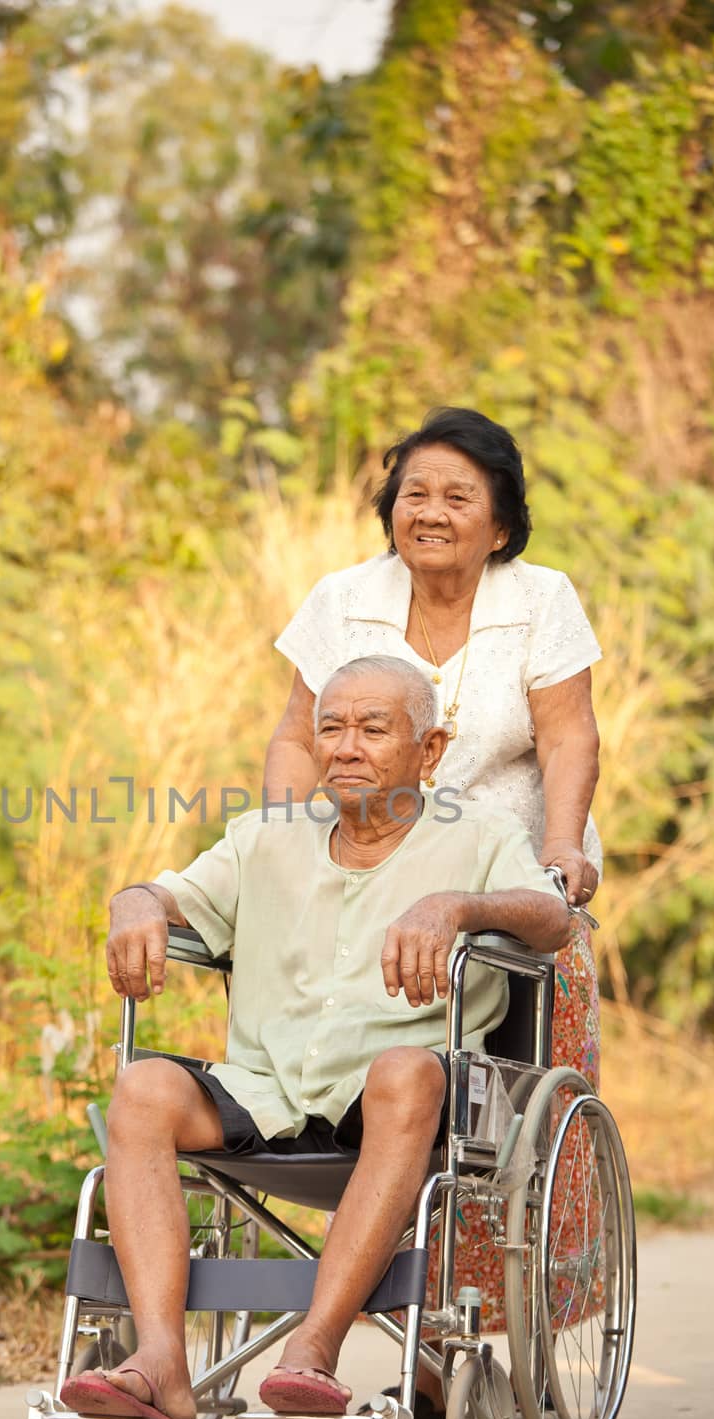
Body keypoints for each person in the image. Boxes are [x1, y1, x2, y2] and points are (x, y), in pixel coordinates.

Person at [61, 657, 570, 1419]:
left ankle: (313, 1349)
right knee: (143, 1087)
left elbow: (552, 917)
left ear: (428, 752)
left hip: (399, 1105)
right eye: (330, 728)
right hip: (269, 1091)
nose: (345, 747)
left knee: (404, 1070)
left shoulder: (480, 838)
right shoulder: (265, 839)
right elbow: (169, 894)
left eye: (372, 728)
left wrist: (457, 908)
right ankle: (159, 1358)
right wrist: (134, 902)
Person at [263, 406, 602, 1364]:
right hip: (365, 860)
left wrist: (563, 846)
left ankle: (499, 1338)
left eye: (459, 496)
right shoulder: (342, 600)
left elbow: (567, 734)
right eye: (414, 492)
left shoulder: (539, 598)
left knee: (499, 1113)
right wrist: (285, 844)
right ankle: (405, 1330)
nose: (431, 511)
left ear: (499, 523)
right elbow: (297, 734)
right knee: (376, 1074)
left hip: (500, 864)